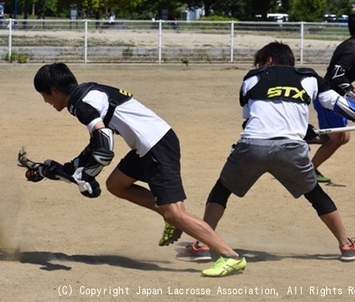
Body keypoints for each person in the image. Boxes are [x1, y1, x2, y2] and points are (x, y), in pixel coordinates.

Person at [175, 41, 355, 263]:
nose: (258, 68)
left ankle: (203, 244)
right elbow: (343, 106)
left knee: (221, 191)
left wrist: (306, 131)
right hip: (291, 150)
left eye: (260, 63)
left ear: (270, 60)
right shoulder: (310, 78)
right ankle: (346, 245)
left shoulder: (251, 80)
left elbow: (253, 121)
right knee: (316, 194)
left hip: (252, 146)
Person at [32, 63, 246, 277]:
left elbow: (104, 145)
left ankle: (230, 256)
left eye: (44, 95)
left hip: (156, 146)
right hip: (150, 144)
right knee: (116, 184)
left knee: (176, 214)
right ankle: (168, 215)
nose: (45, 102)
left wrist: (87, 176)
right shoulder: (87, 93)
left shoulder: (82, 104)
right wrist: (67, 168)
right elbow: (95, 146)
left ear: (54, 90)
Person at [308, 10, 355, 182]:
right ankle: (309, 172)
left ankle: (301, 138)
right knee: (337, 139)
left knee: (341, 137)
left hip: (334, 97)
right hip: (328, 98)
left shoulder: (353, 46)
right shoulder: (352, 48)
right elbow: (338, 75)